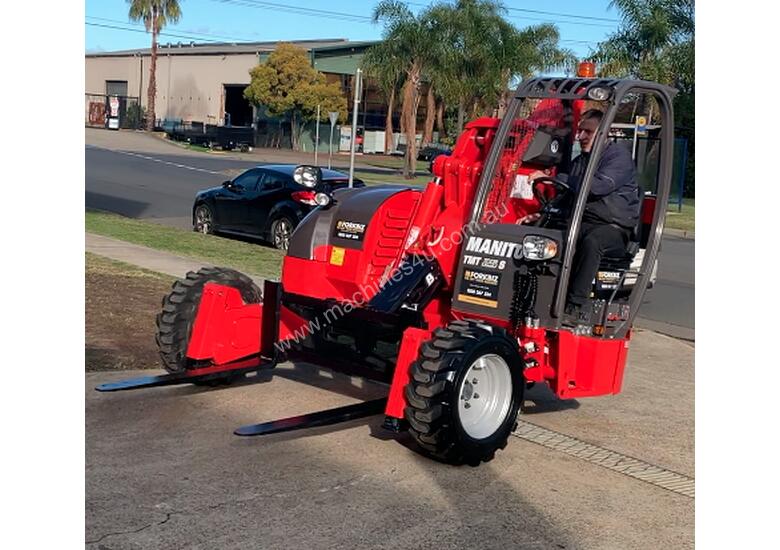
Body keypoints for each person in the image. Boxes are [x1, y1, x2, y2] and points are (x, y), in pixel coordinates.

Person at [530, 109, 640, 318]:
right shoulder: (580, 161)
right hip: (582, 221)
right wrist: (542, 215)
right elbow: (567, 197)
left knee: (592, 242)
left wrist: (561, 178)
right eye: (580, 131)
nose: (580, 136)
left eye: (587, 132)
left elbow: (596, 187)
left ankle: (575, 305)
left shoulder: (618, 157)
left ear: (605, 132)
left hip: (613, 227)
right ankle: (538, 296)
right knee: (543, 236)